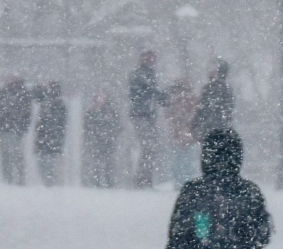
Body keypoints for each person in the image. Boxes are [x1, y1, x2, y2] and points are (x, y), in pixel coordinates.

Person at [0, 75, 31, 185]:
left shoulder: (21, 94)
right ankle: (10, 179)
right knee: (8, 155)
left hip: (13, 129)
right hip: (6, 129)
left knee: (15, 155)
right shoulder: (3, 93)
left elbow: (27, 113)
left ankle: (17, 179)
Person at [128, 51, 166, 187]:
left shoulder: (150, 74)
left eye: (152, 58)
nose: (150, 60)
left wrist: (162, 97)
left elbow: (152, 92)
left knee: (151, 147)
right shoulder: (138, 74)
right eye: (147, 57)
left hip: (148, 116)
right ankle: (141, 179)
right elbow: (148, 90)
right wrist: (160, 95)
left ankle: (144, 178)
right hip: (141, 116)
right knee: (148, 146)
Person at [81, 92, 124, 189]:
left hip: (108, 142)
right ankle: (96, 183)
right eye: (97, 98)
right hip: (96, 143)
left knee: (109, 164)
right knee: (96, 163)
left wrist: (111, 135)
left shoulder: (112, 112)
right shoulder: (90, 112)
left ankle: (109, 183)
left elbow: (119, 126)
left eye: (102, 97)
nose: (99, 100)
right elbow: (86, 127)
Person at [165, 74, 201, 187]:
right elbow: (168, 115)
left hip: (185, 135)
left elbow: (195, 114)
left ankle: (183, 183)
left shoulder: (190, 98)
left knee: (185, 161)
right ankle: (180, 183)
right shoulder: (176, 99)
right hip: (181, 135)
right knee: (180, 162)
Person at [32, 81, 69, 187]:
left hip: (49, 140)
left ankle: (51, 183)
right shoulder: (47, 103)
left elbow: (56, 124)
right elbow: (35, 93)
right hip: (46, 140)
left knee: (48, 164)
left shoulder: (56, 105)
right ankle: (50, 183)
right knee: (45, 164)